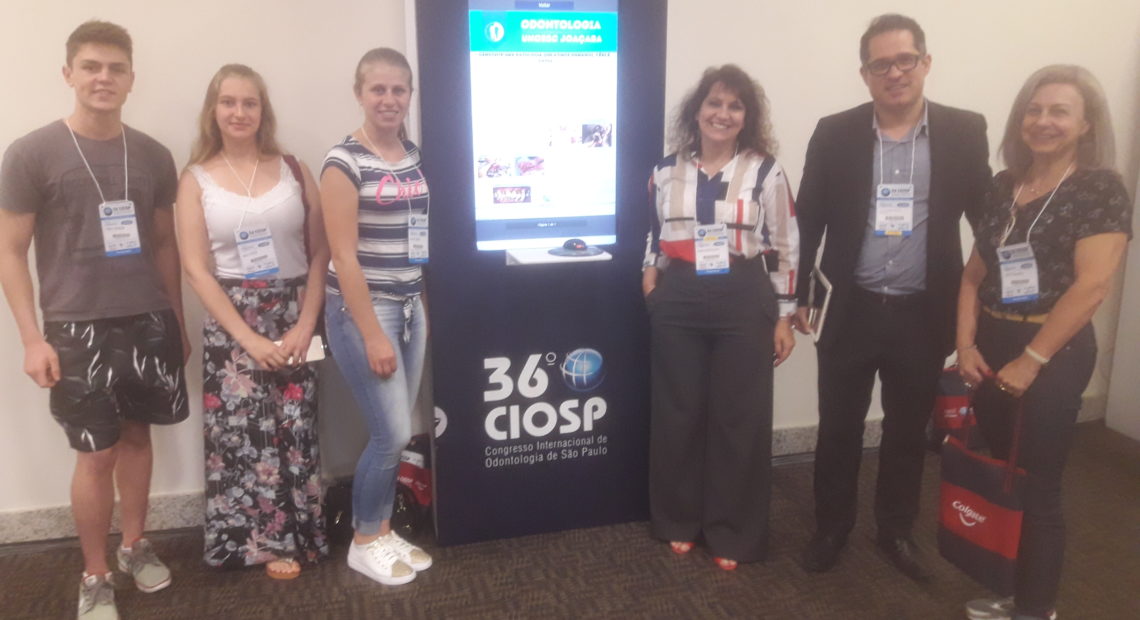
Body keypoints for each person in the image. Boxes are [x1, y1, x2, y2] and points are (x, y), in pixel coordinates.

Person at [792, 14, 992, 580]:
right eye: (881, 64)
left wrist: (987, 304)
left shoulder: (963, 130)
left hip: (922, 312)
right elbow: (808, 220)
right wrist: (800, 294)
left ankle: (895, 530)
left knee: (907, 430)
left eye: (905, 60)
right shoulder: (835, 132)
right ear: (865, 74)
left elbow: (986, 220)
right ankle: (831, 528)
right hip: (850, 308)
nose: (894, 73)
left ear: (925, 63)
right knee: (838, 428)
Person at [0, 21, 188, 619]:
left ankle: (134, 545)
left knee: (137, 438)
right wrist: (31, 338)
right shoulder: (31, 153)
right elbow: (10, 250)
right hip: (76, 327)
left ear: (131, 79)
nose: (103, 78)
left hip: (148, 319)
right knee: (95, 454)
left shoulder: (153, 154)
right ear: (69, 74)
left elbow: (165, 244)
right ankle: (95, 573)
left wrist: (177, 320)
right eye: (91, 66)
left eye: (115, 68)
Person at [957, 65, 1130, 620]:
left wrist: (1031, 362)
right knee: (1005, 471)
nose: (1043, 121)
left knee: (1039, 485)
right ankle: (1011, 589)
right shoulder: (1003, 186)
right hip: (991, 341)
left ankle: (1035, 609)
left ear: (1086, 124)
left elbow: (1092, 286)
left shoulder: (1099, 189)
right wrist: (965, 344)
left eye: (1059, 111)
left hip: (1052, 350)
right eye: (1034, 110)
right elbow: (973, 275)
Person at [175, 64, 330, 579]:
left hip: (294, 314)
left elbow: (320, 251)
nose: (239, 112)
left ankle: (298, 537)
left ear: (263, 110)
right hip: (231, 324)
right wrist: (246, 339)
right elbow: (196, 270)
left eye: (249, 102)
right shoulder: (195, 180)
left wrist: (306, 323)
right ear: (213, 110)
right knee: (239, 438)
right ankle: (249, 544)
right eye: (228, 102)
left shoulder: (294, 169)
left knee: (295, 429)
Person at [642, 64, 799, 570]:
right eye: (714, 102)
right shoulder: (665, 170)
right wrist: (650, 273)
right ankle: (678, 519)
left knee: (738, 418)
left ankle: (732, 531)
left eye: (735, 106)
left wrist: (784, 315)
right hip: (680, 295)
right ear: (697, 110)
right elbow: (653, 231)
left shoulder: (764, 171)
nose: (723, 113)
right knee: (678, 412)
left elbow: (787, 244)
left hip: (742, 295)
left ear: (746, 117)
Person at [321, 47, 433, 586]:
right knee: (391, 436)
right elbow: (343, 257)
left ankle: (384, 531)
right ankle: (364, 542)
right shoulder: (343, 162)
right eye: (378, 89)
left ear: (409, 94)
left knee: (397, 435)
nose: (389, 99)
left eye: (398, 89)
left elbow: (419, 239)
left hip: (410, 306)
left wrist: (423, 306)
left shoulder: (412, 154)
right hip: (364, 312)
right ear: (359, 94)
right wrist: (372, 334)